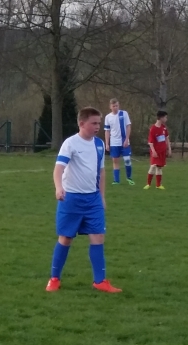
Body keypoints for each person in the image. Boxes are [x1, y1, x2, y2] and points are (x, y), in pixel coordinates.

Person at [47, 107, 121, 293]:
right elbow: (58, 169)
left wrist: (102, 196)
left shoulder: (99, 144)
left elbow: (101, 171)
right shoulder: (70, 143)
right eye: (93, 123)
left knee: (98, 237)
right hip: (71, 199)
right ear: (81, 123)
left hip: (93, 200)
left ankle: (100, 281)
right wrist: (58, 188)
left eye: (99, 123)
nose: (97, 127)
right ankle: (54, 279)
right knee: (66, 238)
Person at [104, 98, 134, 185]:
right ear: (110, 107)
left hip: (124, 141)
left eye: (117, 106)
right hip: (114, 142)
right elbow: (107, 131)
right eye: (114, 106)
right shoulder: (108, 117)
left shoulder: (124, 114)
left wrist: (126, 139)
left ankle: (129, 178)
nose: (115, 107)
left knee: (127, 160)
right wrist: (107, 143)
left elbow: (128, 126)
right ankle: (116, 180)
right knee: (115, 161)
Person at [145, 111, 170, 190]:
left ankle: (158, 185)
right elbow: (150, 142)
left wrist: (169, 148)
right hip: (156, 151)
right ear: (161, 118)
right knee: (153, 166)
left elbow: (167, 138)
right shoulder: (153, 128)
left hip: (162, 151)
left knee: (159, 167)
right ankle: (148, 184)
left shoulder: (164, 127)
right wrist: (153, 151)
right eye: (165, 117)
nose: (166, 119)